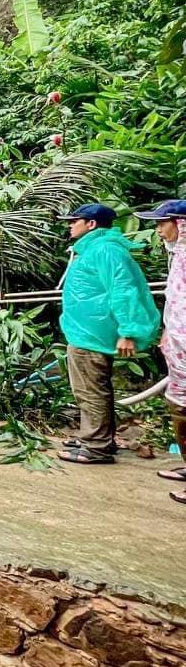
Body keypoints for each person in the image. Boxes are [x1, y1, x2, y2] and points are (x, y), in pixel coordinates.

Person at [57, 204, 160, 465]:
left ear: (91, 224)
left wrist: (129, 331)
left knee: (90, 390)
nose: (70, 225)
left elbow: (123, 290)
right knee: (89, 388)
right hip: (86, 332)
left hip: (92, 334)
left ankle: (96, 447)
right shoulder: (95, 248)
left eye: (75, 220)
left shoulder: (105, 250)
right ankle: (98, 438)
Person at [136, 200, 186, 502]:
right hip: (179, 349)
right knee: (179, 406)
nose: (157, 229)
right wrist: (169, 333)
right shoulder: (178, 256)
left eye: (162, 222)